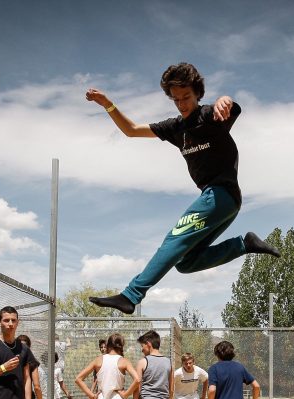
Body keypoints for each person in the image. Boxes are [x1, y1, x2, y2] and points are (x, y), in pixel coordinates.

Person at [85, 62, 280, 314]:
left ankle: (131, 295)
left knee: (175, 239)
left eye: (186, 97)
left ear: (197, 94)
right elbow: (131, 130)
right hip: (223, 202)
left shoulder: (208, 116)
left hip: (220, 193)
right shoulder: (175, 128)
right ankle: (244, 244)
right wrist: (107, 104)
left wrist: (225, 100)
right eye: (176, 99)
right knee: (185, 263)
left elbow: (229, 108)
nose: (182, 103)